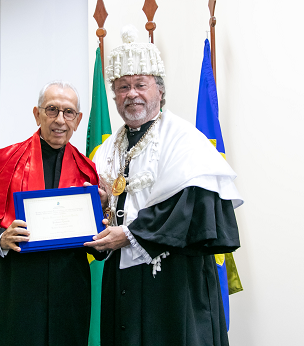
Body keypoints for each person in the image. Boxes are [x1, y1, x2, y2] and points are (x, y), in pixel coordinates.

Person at [84, 27, 243, 346]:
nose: (132, 94)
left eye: (140, 85)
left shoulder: (184, 141)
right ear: (114, 94)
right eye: (122, 86)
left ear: (159, 90)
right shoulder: (105, 151)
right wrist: (97, 205)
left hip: (174, 280)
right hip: (123, 277)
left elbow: (192, 206)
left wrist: (129, 234)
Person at [0, 81, 102, 346]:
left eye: (68, 112)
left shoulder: (88, 171)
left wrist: (103, 233)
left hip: (69, 288)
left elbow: (97, 243)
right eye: (52, 110)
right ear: (37, 114)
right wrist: (0, 239)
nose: (60, 120)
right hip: (17, 285)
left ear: (78, 119)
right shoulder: (3, 161)